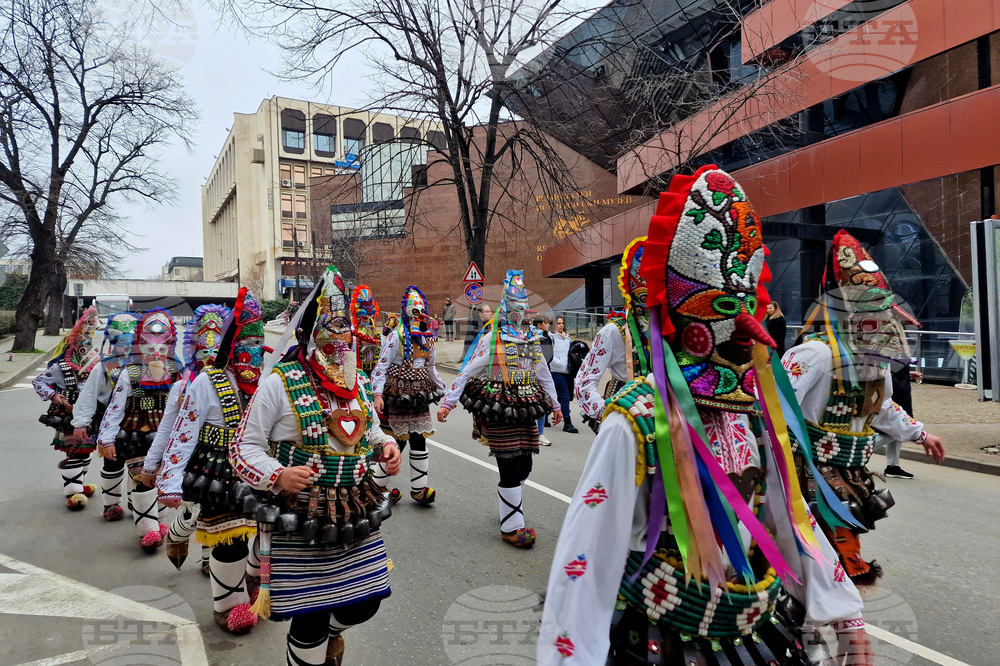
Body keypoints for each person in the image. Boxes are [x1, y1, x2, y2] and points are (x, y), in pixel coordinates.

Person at [539, 166, 873, 666]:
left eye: (747, 305)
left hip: (752, 635)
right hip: (661, 639)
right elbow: (586, 553)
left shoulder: (760, 410)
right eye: (721, 305)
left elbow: (790, 517)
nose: (744, 324)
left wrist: (847, 615)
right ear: (679, 313)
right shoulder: (636, 420)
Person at [231, 266, 401, 666]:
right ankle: (311, 646)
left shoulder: (358, 382)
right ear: (307, 338)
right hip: (302, 513)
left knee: (366, 602)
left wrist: (387, 446)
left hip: (356, 508)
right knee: (309, 618)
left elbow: (371, 432)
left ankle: (332, 634)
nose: (340, 349)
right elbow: (243, 448)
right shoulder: (280, 382)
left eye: (346, 340)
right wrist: (278, 475)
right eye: (331, 340)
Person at [782, 229, 945, 587]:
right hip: (807, 474)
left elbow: (880, 405)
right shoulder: (815, 353)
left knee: (833, 563)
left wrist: (921, 433)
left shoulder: (874, 361)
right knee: (818, 562)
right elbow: (775, 405)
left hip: (849, 473)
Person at [155, 289, 265, 634]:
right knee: (229, 538)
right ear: (231, 344)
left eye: (260, 342)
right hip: (219, 470)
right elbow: (182, 432)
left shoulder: (269, 379)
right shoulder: (206, 381)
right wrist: (168, 480)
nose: (254, 350)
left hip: (261, 466)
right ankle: (229, 604)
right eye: (247, 341)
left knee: (265, 535)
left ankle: (252, 579)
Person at [438, 270, 561, 548]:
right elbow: (468, 370)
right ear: (506, 310)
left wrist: (556, 406)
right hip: (501, 407)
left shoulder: (532, 340)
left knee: (525, 466)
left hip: (527, 407)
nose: (520, 314)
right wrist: (449, 401)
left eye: (523, 309)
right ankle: (512, 527)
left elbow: (544, 375)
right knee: (509, 465)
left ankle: (509, 504)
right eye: (514, 308)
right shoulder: (492, 339)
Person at [143, 304, 230, 572]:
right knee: (196, 509)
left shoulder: (235, 384)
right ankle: (178, 532)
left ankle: (208, 559)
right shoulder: (184, 386)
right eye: (204, 352)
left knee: (217, 511)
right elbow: (169, 427)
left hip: (220, 460)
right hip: (190, 460)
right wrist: (153, 463)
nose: (210, 360)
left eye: (216, 353)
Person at [97, 309, 181, 551]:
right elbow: (115, 408)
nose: (155, 355)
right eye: (149, 349)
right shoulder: (129, 373)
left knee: (163, 480)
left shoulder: (177, 374)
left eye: (162, 350)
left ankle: (156, 521)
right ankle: (149, 530)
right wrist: (106, 440)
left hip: (164, 437)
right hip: (134, 435)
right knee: (143, 481)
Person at [371, 286, 445, 505]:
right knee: (397, 442)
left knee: (419, 439)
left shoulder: (427, 338)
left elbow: (431, 368)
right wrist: (377, 395)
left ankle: (419, 490)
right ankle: (376, 486)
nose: (419, 316)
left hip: (419, 395)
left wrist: (443, 391)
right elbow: (381, 368)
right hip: (397, 394)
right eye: (415, 311)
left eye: (422, 312)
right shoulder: (396, 337)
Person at [575, 238, 650, 434]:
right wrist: (606, 413)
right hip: (624, 416)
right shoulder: (613, 331)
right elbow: (583, 382)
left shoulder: (669, 331)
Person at [71, 312, 138, 521]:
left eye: (130, 341)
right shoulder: (104, 367)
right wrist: (81, 423)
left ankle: (136, 500)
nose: (125, 346)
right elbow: (89, 394)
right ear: (112, 341)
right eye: (120, 341)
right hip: (111, 422)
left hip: (139, 422)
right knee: (113, 462)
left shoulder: (146, 366)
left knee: (140, 463)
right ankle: (111, 504)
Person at [33, 306, 101, 510]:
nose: (86, 347)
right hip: (68, 415)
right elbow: (38, 382)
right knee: (75, 452)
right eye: (83, 342)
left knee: (86, 451)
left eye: (90, 343)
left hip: (90, 414)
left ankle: (79, 483)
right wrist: (54, 396)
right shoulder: (61, 366)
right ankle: (73, 493)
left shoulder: (96, 364)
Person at [879, 363, 922, 479]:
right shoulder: (888, 346)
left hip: (899, 393)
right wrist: (899, 383)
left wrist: (905, 375)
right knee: (898, 430)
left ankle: (893, 466)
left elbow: (891, 366)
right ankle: (860, 451)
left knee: (897, 431)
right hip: (896, 395)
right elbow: (883, 367)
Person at [548, 317, 579, 434]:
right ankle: (567, 423)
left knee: (560, 396)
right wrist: (561, 364)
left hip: (568, 372)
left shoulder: (567, 338)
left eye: (562, 323)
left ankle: (546, 417)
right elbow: (550, 356)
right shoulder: (551, 338)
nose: (561, 325)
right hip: (556, 371)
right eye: (558, 323)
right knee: (565, 396)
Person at [351, 285, 381, 378]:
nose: (367, 314)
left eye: (369, 308)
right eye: (362, 307)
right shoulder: (353, 334)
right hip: (357, 368)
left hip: (372, 366)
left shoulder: (376, 334)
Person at [535, 316, 553, 446]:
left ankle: (540, 433)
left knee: (542, 403)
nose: (548, 326)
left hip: (544, 372)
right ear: (539, 325)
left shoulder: (548, 337)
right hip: (532, 375)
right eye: (546, 323)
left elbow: (549, 354)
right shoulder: (532, 337)